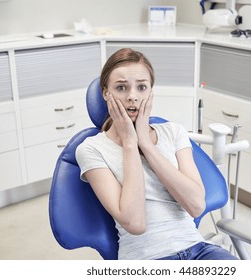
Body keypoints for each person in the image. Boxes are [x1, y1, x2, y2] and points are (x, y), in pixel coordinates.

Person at [75, 48, 236, 260]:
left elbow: (196, 206)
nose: (132, 96)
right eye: (121, 87)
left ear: (150, 92)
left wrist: (147, 146)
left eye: (141, 87)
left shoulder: (173, 132)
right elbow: (135, 223)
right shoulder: (91, 149)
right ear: (106, 93)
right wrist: (131, 144)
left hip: (199, 250)